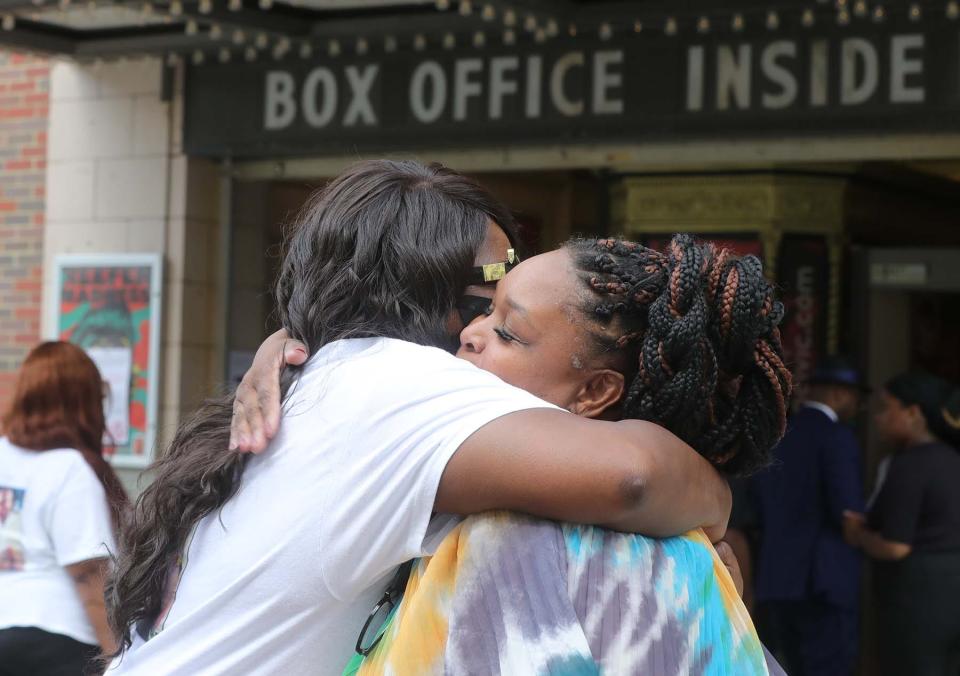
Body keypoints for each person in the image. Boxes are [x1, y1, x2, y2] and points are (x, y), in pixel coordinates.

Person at [105, 160, 731, 674]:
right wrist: (718, 504)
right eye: (493, 286)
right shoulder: (395, 383)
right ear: (427, 288)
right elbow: (635, 476)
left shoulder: (338, 378)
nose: (486, 323)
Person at [331, 236, 791, 675]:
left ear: (594, 391)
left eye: (508, 333)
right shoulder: (685, 537)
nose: (469, 334)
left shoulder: (518, 537)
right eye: (485, 310)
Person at [0, 341, 127, 674]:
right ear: (82, 404)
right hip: (58, 640)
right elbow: (89, 578)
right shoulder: (68, 468)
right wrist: (119, 660)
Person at [750, 356, 866, 676]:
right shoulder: (837, 437)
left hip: (777, 579)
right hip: (823, 581)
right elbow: (848, 513)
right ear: (841, 394)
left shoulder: (778, 436)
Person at [844, 372, 960, 676]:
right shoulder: (952, 459)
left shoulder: (909, 464)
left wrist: (859, 535)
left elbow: (896, 547)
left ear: (913, 412)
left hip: (920, 596)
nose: (879, 418)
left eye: (886, 408)